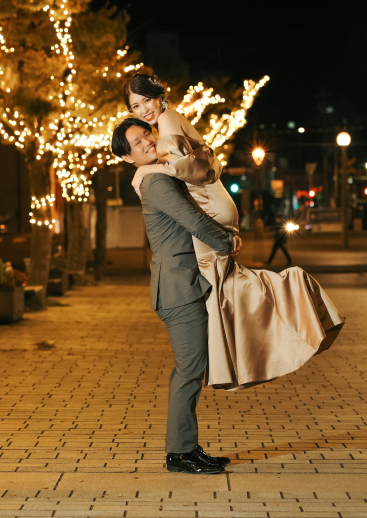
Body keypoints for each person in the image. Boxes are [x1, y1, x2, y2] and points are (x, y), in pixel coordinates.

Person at [122, 73, 345, 393]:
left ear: (160, 96)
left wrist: (144, 169)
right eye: (135, 105)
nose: (144, 110)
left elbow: (184, 167)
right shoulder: (172, 120)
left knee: (229, 289)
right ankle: (245, 356)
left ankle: (292, 306)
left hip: (208, 208)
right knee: (225, 290)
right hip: (215, 201)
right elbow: (204, 163)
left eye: (147, 100)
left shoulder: (168, 119)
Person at [111, 117, 239, 475]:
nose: (147, 142)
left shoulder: (159, 173)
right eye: (137, 143)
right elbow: (193, 221)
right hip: (178, 288)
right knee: (189, 370)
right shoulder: (154, 182)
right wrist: (229, 242)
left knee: (191, 368)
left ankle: (187, 448)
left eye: (146, 134)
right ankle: (179, 454)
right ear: (127, 157)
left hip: (184, 283)